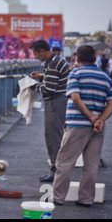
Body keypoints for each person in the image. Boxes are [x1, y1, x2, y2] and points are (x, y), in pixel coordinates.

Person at [52, 45, 112, 207]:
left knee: (65, 162)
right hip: (98, 128)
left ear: (77, 59)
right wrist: (99, 120)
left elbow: (75, 97)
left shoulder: (75, 73)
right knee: (91, 164)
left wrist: (91, 117)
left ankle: (58, 198)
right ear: (95, 59)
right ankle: (86, 199)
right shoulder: (106, 78)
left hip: (77, 125)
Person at [30, 40, 70, 182]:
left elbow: (48, 89)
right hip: (61, 101)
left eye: (36, 54)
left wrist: (33, 85)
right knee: (57, 135)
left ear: (42, 51)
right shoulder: (56, 60)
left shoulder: (52, 64)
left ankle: (56, 172)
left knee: (53, 137)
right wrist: (41, 77)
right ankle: (58, 169)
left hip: (55, 103)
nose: (35, 57)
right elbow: (54, 80)